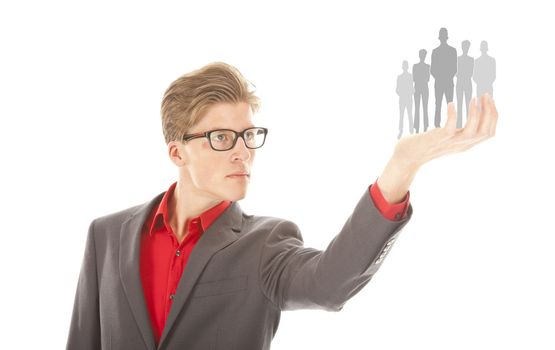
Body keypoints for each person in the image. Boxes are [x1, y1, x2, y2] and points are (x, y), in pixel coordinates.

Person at [66, 62, 498, 350]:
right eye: (222, 138)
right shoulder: (106, 236)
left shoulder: (265, 244)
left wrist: (401, 167)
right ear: (177, 153)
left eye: (249, 136)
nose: (243, 153)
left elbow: (330, 284)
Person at [431, 27, 458, 128]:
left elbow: (454, 68)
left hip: (445, 81)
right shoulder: (436, 51)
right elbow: (432, 69)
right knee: (439, 104)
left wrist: (443, 77)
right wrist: (441, 77)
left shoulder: (452, 51)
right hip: (442, 81)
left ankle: (448, 125)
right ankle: (437, 125)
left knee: (449, 104)